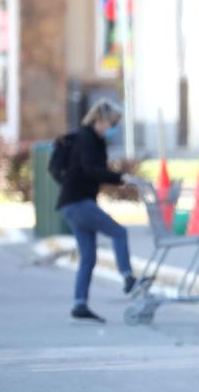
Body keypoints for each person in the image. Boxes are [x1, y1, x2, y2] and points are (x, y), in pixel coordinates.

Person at [57, 99, 142, 323]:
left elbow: (95, 170)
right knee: (118, 232)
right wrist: (120, 177)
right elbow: (91, 169)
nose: (114, 127)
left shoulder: (94, 139)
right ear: (100, 119)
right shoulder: (87, 139)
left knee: (88, 256)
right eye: (112, 122)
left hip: (73, 203)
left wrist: (116, 179)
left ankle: (79, 303)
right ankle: (127, 277)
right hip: (78, 202)